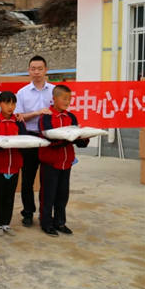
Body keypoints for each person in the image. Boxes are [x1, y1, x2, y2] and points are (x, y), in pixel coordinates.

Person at [38, 85, 89, 237]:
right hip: (50, 162)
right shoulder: (46, 117)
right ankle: (46, 223)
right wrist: (68, 139)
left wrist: (84, 138)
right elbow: (49, 140)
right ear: (54, 99)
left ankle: (60, 222)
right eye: (64, 98)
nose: (67, 102)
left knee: (62, 195)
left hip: (66, 163)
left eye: (69, 99)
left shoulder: (71, 117)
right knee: (48, 195)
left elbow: (78, 141)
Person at [14, 55, 55, 227]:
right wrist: (37, 113)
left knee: (49, 180)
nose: (36, 72)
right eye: (33, 69)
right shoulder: (22, 93)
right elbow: (18, 116)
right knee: (28, 179)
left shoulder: (54, 90)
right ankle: (28, 212)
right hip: (30, 138)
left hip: (50, 138)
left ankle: (46, 215)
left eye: (40, 68)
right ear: (28, 71)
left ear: (46, 70)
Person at [0, 91, 27, 236]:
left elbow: (24, 140)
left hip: (14, 165)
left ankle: (6, 223)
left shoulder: (19, 121)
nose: (10, 107)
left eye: (13, 103)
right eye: (7, 103)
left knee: (10, 196)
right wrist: (3, 144)